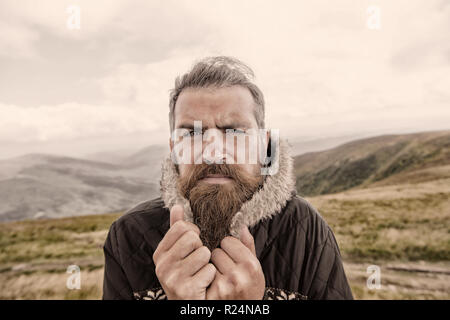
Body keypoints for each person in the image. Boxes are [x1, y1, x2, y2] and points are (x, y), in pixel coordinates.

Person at [102, 56, 353, 300]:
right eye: (191, 133)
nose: (213, 152)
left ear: (263, 144)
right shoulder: (129, 236)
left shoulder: (304, 229)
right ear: (174, 150)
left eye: (234, 131)